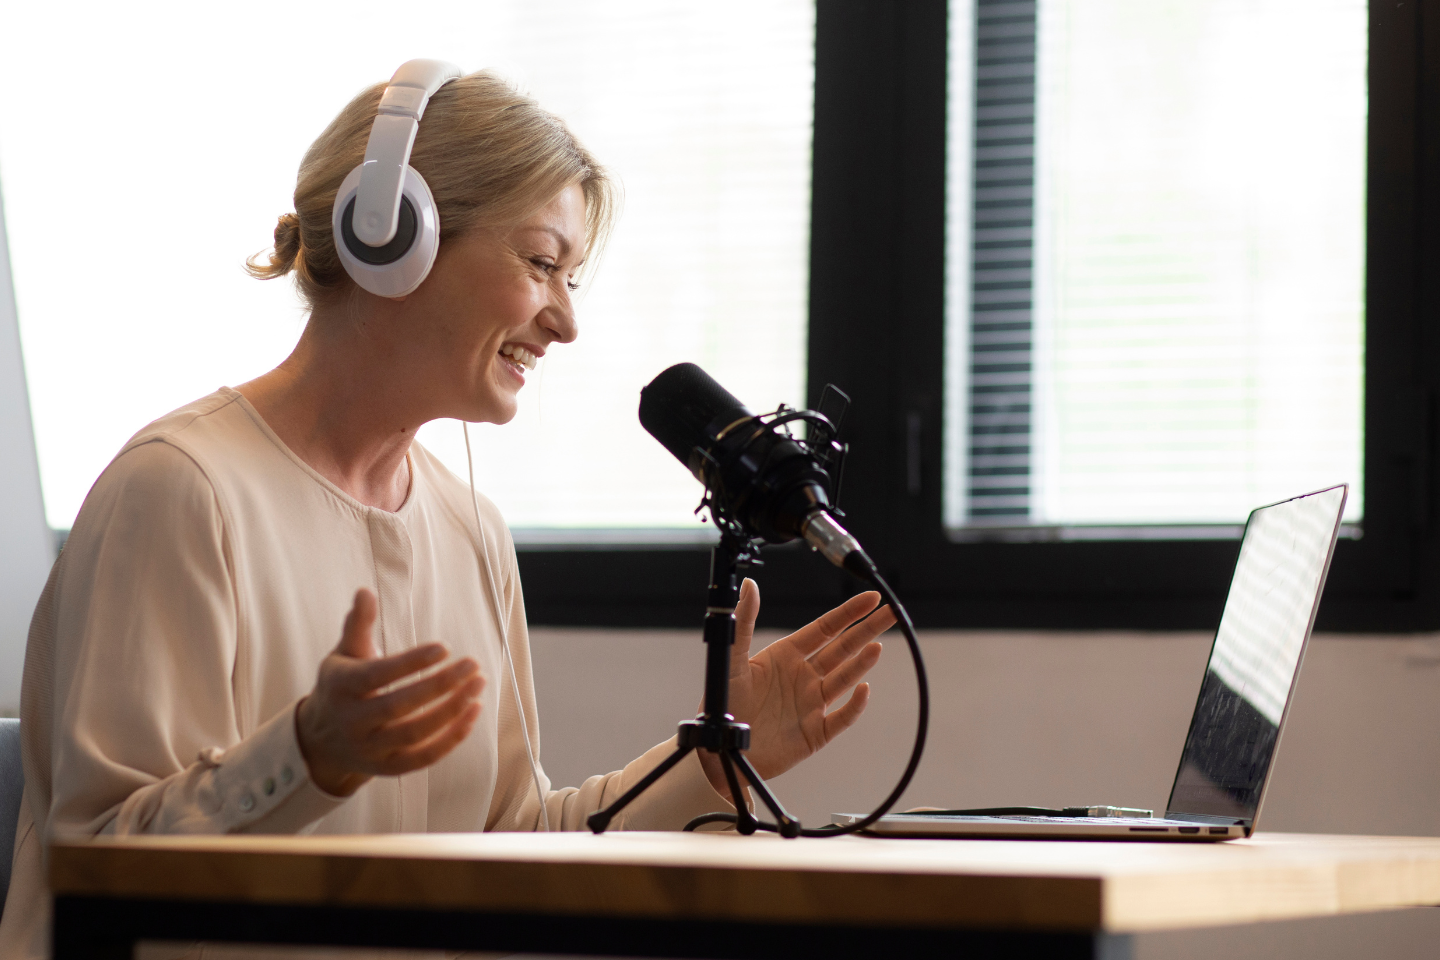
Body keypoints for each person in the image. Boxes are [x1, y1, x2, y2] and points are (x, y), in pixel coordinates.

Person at [0, 67, 891, 958]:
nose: (565, 321)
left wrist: (708, 766)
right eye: (542, 264)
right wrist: (305, 756)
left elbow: (511, 850)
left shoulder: (470, 529)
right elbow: (101, 859)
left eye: (571, 276)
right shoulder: (181, 490)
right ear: (394, 239)